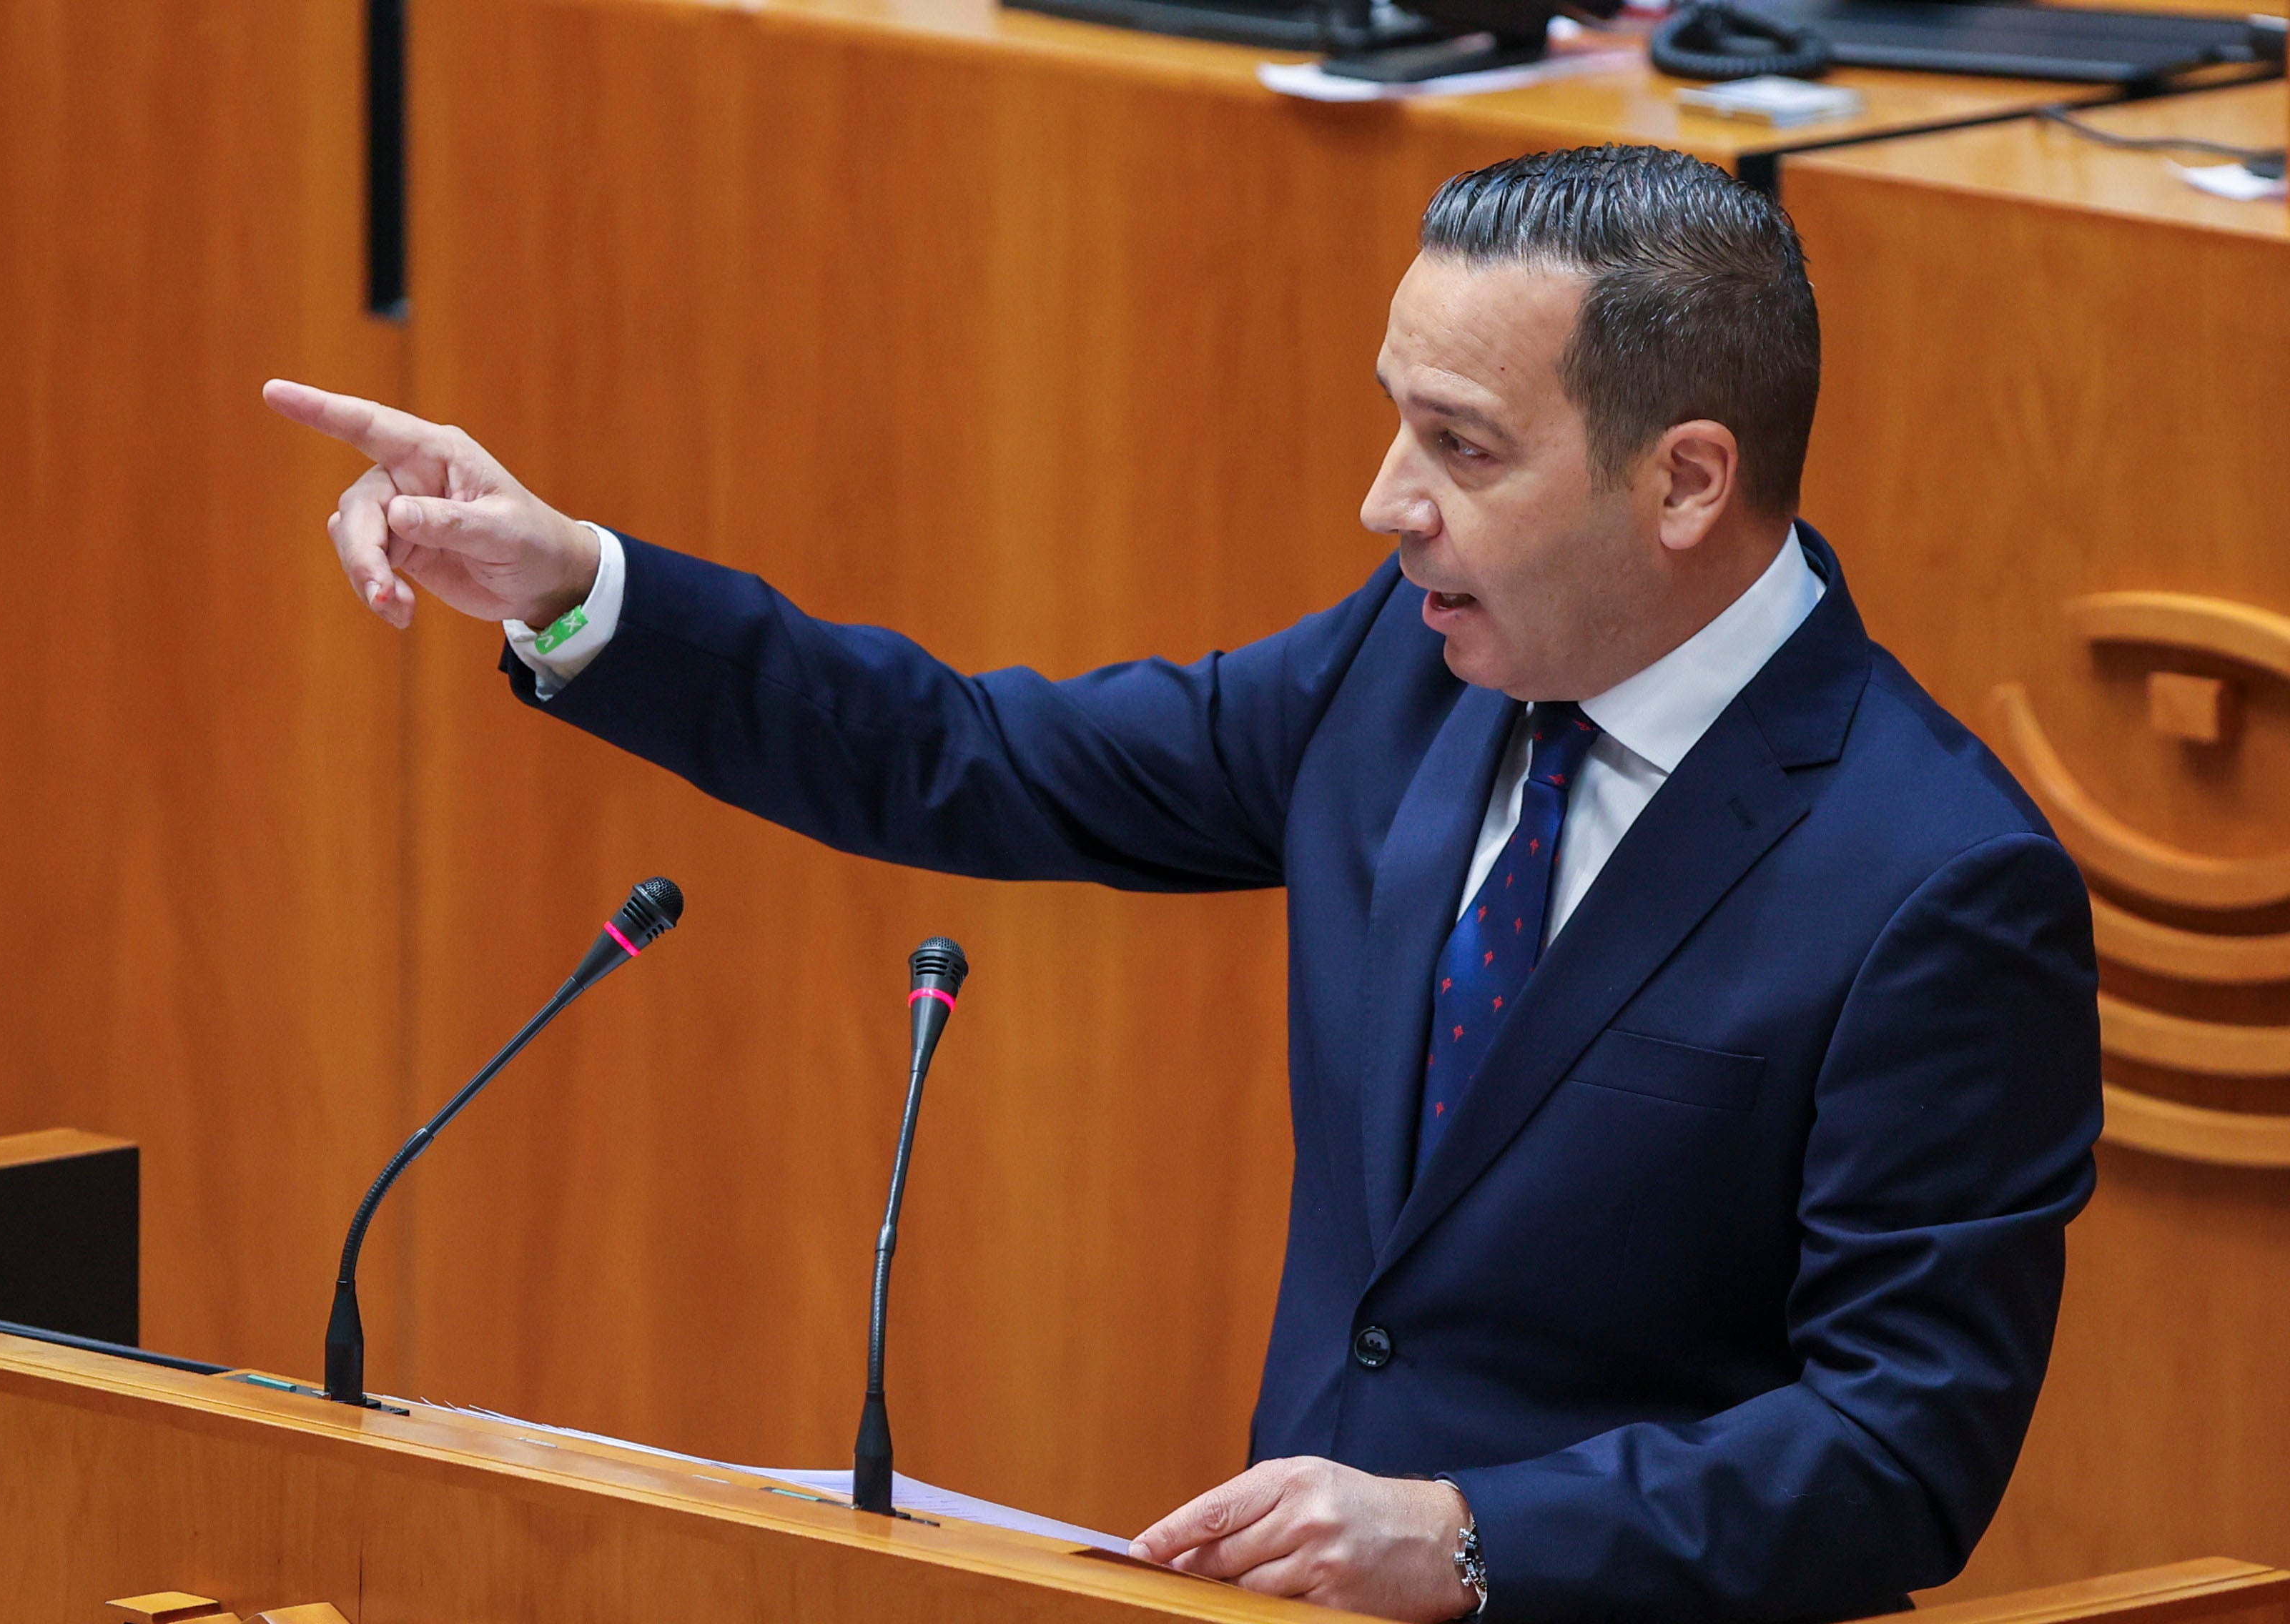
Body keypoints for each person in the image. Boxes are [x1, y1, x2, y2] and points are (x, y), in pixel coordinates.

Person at [265, 145, 2101, 1624]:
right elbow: (974, 756)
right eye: (1398, 419)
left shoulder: (1931, 880)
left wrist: (1472, 1534)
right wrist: (576, 583)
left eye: (1460, 446)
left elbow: (1898, 1447)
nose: (1388, 500)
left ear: (1689, 479)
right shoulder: (1403, 673)